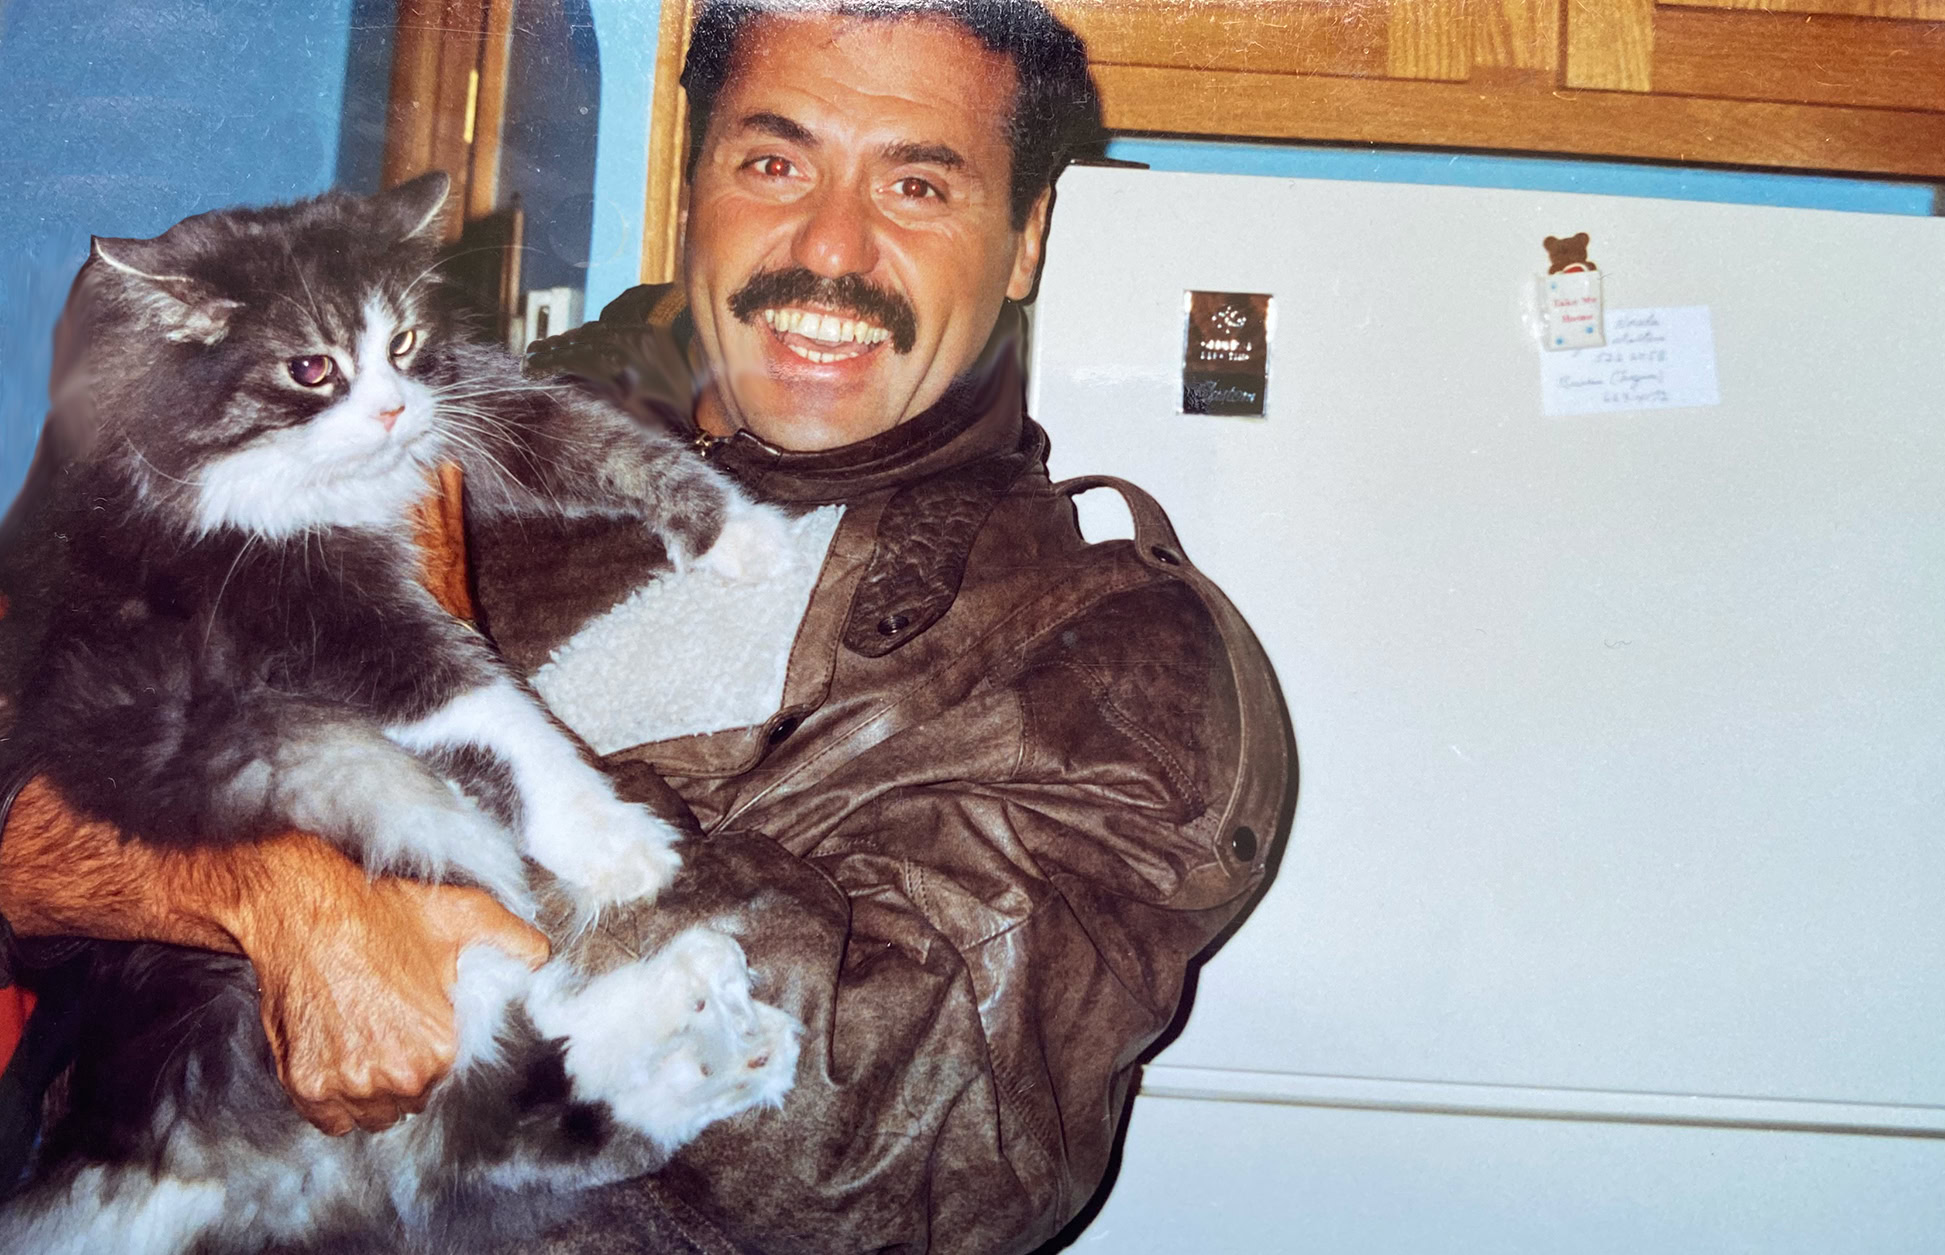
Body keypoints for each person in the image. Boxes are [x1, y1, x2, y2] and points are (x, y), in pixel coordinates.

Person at [0, 1, 1290, 1251]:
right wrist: (271, 897)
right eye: (777, 162)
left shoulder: (1107, 647)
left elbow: (921, 1160)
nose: (832, 248)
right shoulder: (397, 417)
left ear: (1023, 237)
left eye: (916, 185)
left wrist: (439, 725)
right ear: (691, 191)